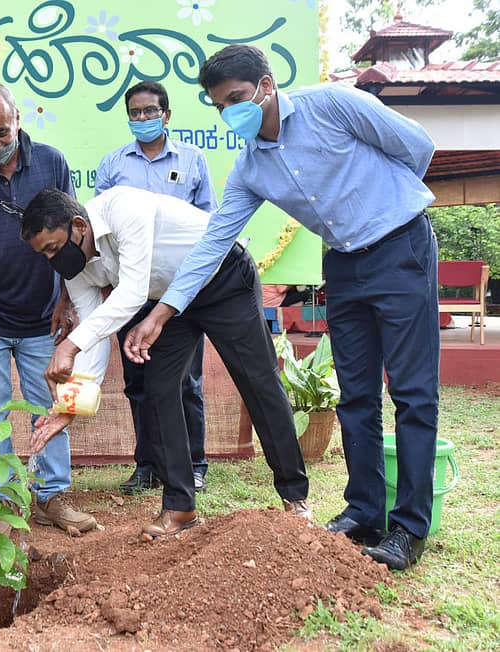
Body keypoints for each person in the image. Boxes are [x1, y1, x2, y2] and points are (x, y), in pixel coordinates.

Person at [126, 44, 438, 570]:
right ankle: (363, 512)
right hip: (342, 264)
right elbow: (213, 243)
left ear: (266, 86)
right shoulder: (250, 168)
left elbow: (417, 147)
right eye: (220, 105)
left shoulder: (333, 104)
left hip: (400, 248)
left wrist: (391, 208)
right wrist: (163, 311)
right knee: (356, 396)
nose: (231, 113)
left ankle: (408, 527)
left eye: (238, 98)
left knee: (411, 394)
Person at [20, 186, 310, 539]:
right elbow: (94, 335)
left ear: (79, 225)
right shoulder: (75, 266)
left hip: (223, 279)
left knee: (258, 383)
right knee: (159, 389)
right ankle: (180, 507)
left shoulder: (125, 208)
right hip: (170, 301)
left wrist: (68, 345)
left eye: (53, 248)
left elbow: (131, 293)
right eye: (43, 255)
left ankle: (295, 498)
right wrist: (72, 405)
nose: (53, 260)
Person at [0, 81, 96, 536]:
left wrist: (66, 298)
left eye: (1, 134)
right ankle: (1, 503)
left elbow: (74, 236)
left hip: (43, 315)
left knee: (50, 401)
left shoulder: (52, 162)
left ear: (18, 120)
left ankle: (51, 497)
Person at [95, 81, 218, 495]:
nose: (143, 118)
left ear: (167, 115)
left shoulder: (193, 160)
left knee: (187, 381)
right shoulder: (113, 165)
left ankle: (194, 463)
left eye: (150, 111)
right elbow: (101, 228)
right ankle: (147, 465)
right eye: (135, 113)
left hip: (180, 290)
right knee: (139, 381)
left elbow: (209, 227)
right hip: (131, 288)